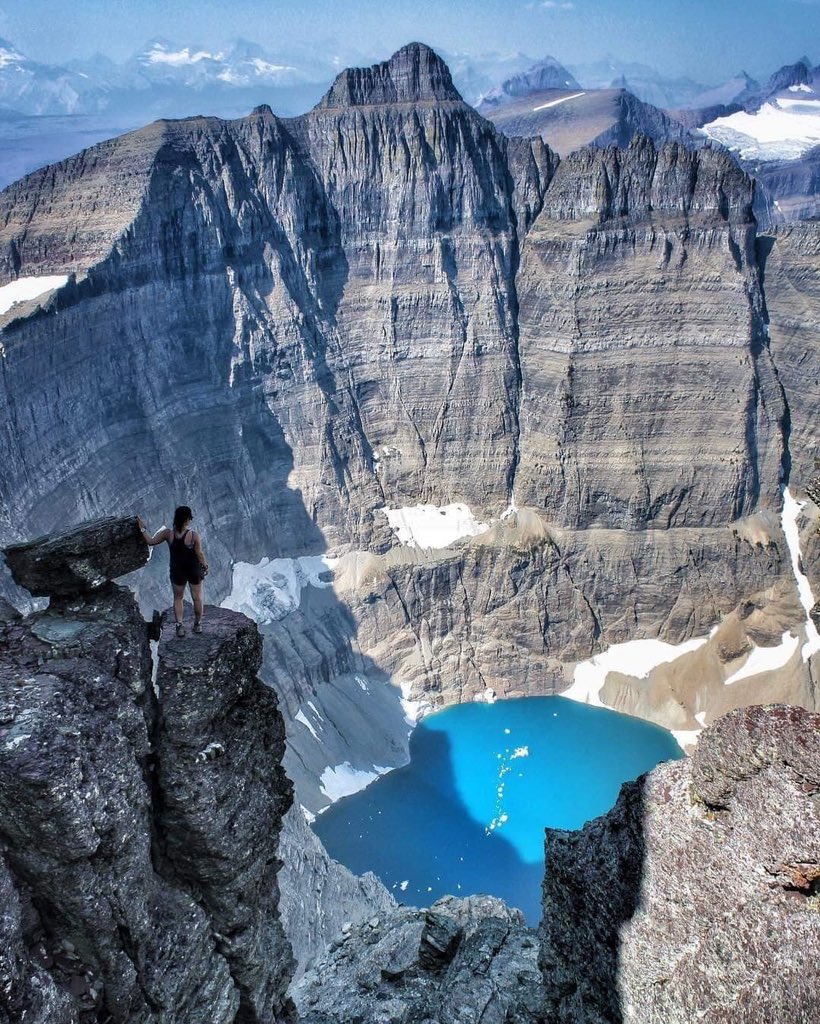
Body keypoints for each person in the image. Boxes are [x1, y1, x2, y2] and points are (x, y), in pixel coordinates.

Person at [137, 506, 209, 637]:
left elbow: (150, 541)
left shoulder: (168, 534)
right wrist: (204, 564)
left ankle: (179, 626)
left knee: (178, 598)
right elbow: (199, 553)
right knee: (197, 598)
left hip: (177, 571)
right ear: (188, 520)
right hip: (194, 569)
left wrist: (142, 528)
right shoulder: (194, 536)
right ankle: (198, 625)